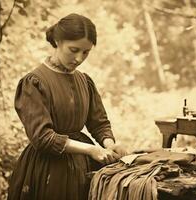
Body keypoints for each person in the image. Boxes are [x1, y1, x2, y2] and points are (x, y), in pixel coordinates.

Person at [7, 13, 127, 200]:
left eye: (86, 52)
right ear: (57, 42)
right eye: (74, 50)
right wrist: (91, 150)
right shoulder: (34, 82)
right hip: (48, 170)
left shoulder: (84, 81)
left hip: (82, 167)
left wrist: (110, 145)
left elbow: (99, 123)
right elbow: (43, 138)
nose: (79, 58)